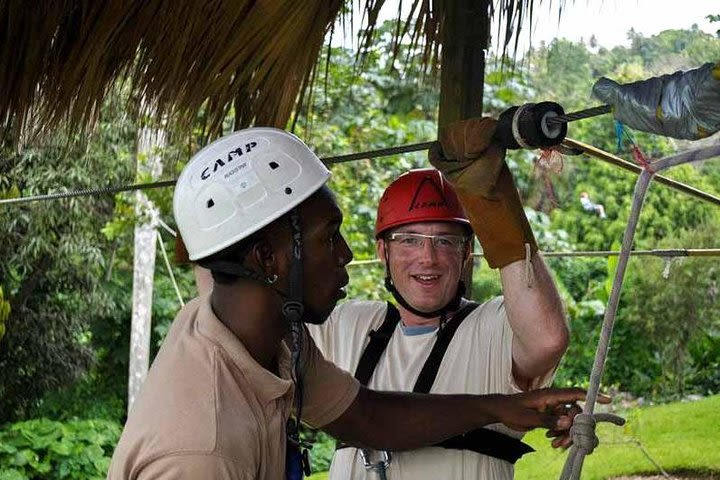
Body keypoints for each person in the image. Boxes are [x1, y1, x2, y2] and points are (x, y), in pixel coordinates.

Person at [107, 127, 598, 480]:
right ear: (265, 259)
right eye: (329, 238)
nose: (346, 254)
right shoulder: (202, 450)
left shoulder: (277, 346)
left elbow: (367, 416)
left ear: (467, 253)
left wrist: (504, 407)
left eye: (445, 242)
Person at [309, 117, 570, 479]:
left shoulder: (493, 328)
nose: (428, 258)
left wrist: (495, 206)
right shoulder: (350, 324)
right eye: (410, 240)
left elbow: (547, 338)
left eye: (445, 241)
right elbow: (248, 338)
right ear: (383, 252)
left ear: (466, 254)